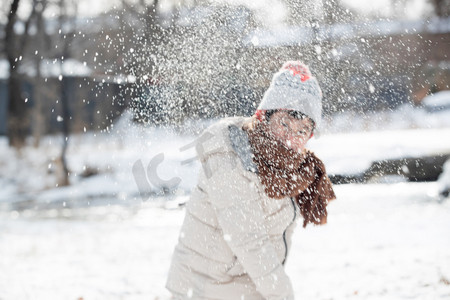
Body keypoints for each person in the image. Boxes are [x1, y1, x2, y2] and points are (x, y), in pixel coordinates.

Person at [166, 61, 336, 300]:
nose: (290, 139)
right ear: (264, 116)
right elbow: (250, 241)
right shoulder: (229, 157)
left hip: (246, 288)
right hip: (205, 289)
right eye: (284, 123)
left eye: (302, 130)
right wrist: (283, 295)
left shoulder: (295, 169)